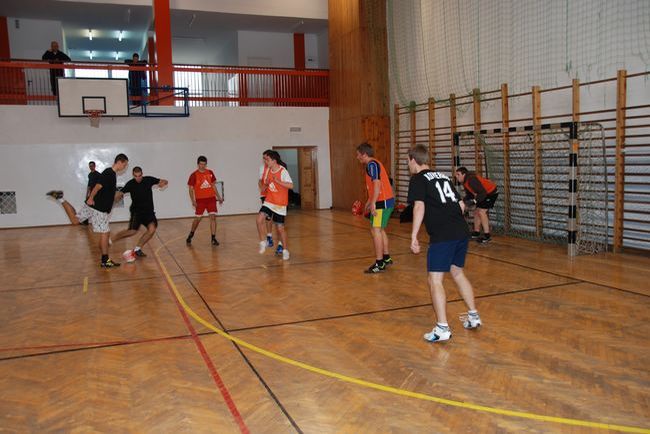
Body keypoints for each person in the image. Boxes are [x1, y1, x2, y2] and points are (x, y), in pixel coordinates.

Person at [407, 145, 482, 343]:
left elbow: (419, 206)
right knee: (457, 273)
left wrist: (414, 236)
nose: (408, 165)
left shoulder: (417, 179)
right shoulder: (443, 176)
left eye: (408, 161)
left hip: (443, 235)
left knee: (435, 280)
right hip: (461, 231)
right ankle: (473, 316)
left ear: (413, 159)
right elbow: (460, 205)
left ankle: (442, 328)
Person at [46, 153, 129, 268]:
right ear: (120, 162)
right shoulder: (109, 173)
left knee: (75, 220)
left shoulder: (110, 173)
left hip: (93, 206)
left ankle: (61, 198)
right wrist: (90, 198)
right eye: (125, 164)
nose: (125, 167)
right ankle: (105, 260)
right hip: (98, 209)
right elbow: (98, 186)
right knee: (105, 233)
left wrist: (111, 199)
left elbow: (104, 191)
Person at [112, 166, 168, 257]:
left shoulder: (148, 180)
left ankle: (138, 249)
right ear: (133, 175)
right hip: (136, 212)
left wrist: (163, 183)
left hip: (148, 211)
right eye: (136, 176)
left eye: (139, 175)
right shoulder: (130, 184)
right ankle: (113, 239)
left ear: (142, 174)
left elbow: (165, 181)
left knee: (152, 229)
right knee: (132, 231)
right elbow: (121, 192)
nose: (138, 178)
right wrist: (116, 197)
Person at [355, 142, 394, 274]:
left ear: (364, 154)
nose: (357, 157)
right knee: (379, 229)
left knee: (375, 230)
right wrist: (369, 200)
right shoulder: (373, 164)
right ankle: (386, 257)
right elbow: (375, 186)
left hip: (381, 202)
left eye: (358, 154)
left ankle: (379, 263)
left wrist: (373, 203)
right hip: (384, 200)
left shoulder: (372, 164)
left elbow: (377, 184)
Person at [256, 151, 292, 260]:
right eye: (264, 159)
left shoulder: (283, 171)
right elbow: (265, 184)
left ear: (273, 160)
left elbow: (290, 185)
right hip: (269, 201)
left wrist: (278, 181)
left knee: (280, 228)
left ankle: (285, 250)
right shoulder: (267, 170)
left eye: (267, 159)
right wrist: (264, 186)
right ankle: (263, 242)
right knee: (259, 219)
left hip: (280, 203)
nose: (265, 161)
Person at [454, 167, 498, 243]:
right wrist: (463, 202)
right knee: (476, 212)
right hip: (484, 194)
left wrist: (474, 201)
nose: (456, 177)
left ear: (464, 174)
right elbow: (470, 194)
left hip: (491, 193)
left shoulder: (471, 180)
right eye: (456, 175)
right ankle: (476, 232)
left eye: (458, 174)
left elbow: (482, 193)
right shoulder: (465, 182)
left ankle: (487, 236)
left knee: (481, 212)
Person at [186, 156, 223, 246]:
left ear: (206, 164)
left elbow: (213, 186)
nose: (202, 166)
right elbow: (191, 189)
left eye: (204, 164)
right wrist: (193, 200)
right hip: (200, 200)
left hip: (211, 199)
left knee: (213, 217)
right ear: (198, 164)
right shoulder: (193, 175)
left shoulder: (210, 173)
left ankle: (213, 238)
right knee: (197, 219)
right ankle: (191, 234)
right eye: (201, 164)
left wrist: (219, 197)